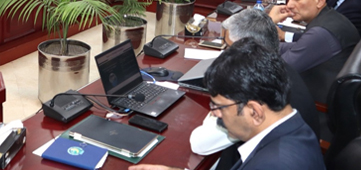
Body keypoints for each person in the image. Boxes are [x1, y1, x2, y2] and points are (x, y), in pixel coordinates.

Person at [130, 38, 325, 170]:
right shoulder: (293, 128)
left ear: (255, 112)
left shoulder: (273, 164)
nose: (214, 114)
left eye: (218, 107)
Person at [189, 9, 319, 170]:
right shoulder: (280, 75)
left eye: (218, 107)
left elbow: (200, 143)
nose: (224, 55)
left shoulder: (272, 164)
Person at [269, 0, 361, 104]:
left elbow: (274, 72)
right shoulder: (330, 17)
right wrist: (261, 45)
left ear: (319, 0)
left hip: (318, 107)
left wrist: (268, 24)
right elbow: (295, 47)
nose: (289, 5)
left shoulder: (321, 34)